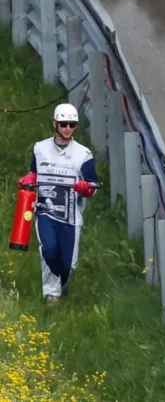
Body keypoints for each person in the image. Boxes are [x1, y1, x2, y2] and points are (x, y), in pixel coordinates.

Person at [17, 103, 99, 306]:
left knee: (68, 265)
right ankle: (51, 295)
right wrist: (28, 178)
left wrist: (85, 188)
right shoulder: (40, 148)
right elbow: (34, 173)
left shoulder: (84, 154)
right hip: (45, 211)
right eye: (63, 124)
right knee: (49, 250)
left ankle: (62, 285)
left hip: (71, 215)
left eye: (72, 125)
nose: (67, 128)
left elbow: (93, 185)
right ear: (55, 123)